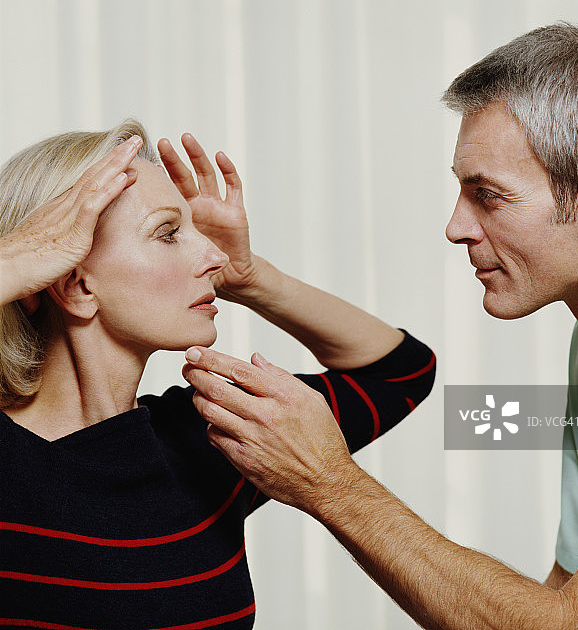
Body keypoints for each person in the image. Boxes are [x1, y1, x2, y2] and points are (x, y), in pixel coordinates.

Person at [184, 24, 578, 629]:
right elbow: (571, 584)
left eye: (488, 195)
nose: (456, 227)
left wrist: (327, 481)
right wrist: (251, 279)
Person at [0, 119, 435, 628]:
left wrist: (253, 280)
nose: (214, 256)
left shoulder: (213, 436)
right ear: (76, 285)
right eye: (168, 233)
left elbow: (399, 372)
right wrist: (15, 260)